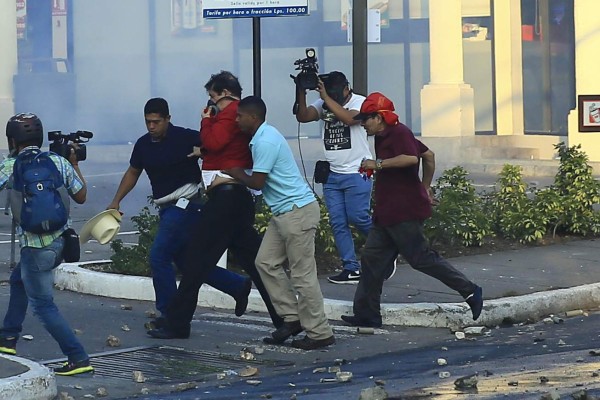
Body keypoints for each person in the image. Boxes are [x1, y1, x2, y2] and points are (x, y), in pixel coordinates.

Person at [147, 72, 283, 339]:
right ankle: (286, 318)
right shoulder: (234, 113)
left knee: (195, 260)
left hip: (226, 199)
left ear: (223, 93)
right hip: (233, 199)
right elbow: (219, 148)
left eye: (212, 97)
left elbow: (213, 141)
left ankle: (177, 323)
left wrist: (206, 120)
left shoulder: (229, 112)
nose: (210, 103)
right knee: (257, 264)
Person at [107, 98, 258, 328]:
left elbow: (215, 146)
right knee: (189, 263)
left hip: (186, 205)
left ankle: (169, 315)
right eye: (148, 122)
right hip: (168, 209)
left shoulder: (185, 138)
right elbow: (133, 172)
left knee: (159, 256)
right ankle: (236, 285)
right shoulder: (143, 145)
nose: (151, 127)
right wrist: (116, 200)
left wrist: (205, 152)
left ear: (168, 119)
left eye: (156, 122)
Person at [340, 92, 484, 328]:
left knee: (421, 258)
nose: (363, 123)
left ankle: (470, 291)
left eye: (366, 118)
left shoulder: (399, 132)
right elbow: (428, 155)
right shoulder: (384, 134)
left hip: (404, 211)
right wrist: (425, 188)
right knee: (371, 260)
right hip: (386, 212)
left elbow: (411, 158)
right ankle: (367, 314)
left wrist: (378, 165)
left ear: (379, 117)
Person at [226, 95, 335, 350]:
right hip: (284, 212)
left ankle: (320, 333)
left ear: (253, 117)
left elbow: (257, 183)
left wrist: (235, 172)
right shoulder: (264, 136)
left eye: (240, 115)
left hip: (296, 212)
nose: (237, 119)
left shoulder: (264, 141)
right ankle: (292, 318)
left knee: (302, 275)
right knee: (265, 262)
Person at [0, 113, 94, 376]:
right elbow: (82, 196)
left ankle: (78, 357)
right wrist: (74, 163)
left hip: (35, 248)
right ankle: (7, 338)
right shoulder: (58, 161)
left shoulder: (11, 166)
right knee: (20, 278)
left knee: (43, 305)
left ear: (12, 139)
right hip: (61, 245)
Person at [295, 71, 391, 284]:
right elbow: (303, 116)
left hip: (357, 171)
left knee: (358, 217)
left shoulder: (361, 102)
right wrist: (301, 92)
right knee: (338, 223)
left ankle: (386, 247)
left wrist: (326, 98)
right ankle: (351, 268)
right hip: (333, 174)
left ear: (347, 88)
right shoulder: (323, 102)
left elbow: (349, 119)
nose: (332, 100)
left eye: (336, 95)